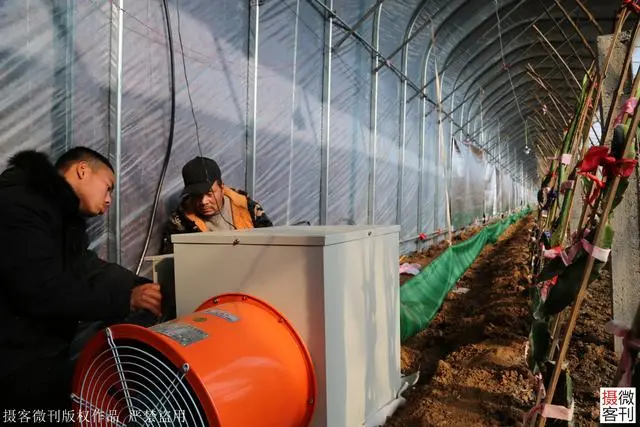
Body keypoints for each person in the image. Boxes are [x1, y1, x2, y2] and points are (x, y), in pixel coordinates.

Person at [0, 147, 163, 417]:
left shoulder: (59, 217)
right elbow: (43, 289)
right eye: (108, 187)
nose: (109, 200)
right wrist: (126, 298)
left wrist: (138, 285)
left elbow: (86, 267)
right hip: (15, 362)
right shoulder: (19, 205)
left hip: (38, 356)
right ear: (82, 170)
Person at [161, 156, 273, 254]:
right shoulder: (180, 222)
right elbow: (172, 262)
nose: (204, 201)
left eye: (209, 194)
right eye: (196, 196)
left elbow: (272, 244)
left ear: (222, 187)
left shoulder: (248, 208)